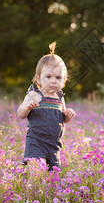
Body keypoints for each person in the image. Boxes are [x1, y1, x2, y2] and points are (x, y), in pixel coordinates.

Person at [17, 42, 76, 172]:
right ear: (38, 79)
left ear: (64, 80)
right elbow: (20, 114)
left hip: (54, 145)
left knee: (52, 178)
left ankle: (45, 193)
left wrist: (68, 115)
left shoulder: (60, 97)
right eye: (48, 77)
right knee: (37, 173)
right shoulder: (34, 94)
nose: (53, 81)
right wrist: (27, 107)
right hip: (36, 142)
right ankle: (33, 193)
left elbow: (63, 119)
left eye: (58, 77)